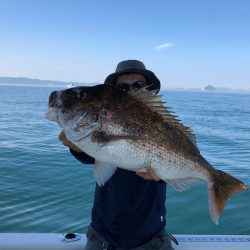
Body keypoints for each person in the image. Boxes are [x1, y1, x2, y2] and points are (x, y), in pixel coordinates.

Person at [59, 60, 175, 250]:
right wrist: (77, 146)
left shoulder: (165, 126)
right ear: (114, 93)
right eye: (123, 87)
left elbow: (178, 162)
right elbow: (92, 156)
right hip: (102, 238)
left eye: (138, 85)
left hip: (152, 239)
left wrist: (161, 177)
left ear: (151, 90)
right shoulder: (104, 122)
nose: (131, 91)